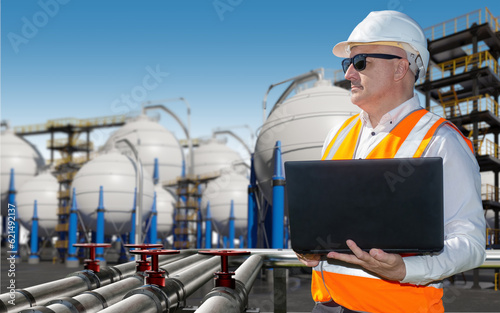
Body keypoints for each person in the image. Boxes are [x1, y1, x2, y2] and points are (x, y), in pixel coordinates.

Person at [296, 10, 486, 313]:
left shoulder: (439, 140)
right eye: (348, 63)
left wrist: (406, 271)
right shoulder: (337, 135)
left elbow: (471, 244)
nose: (348, 75)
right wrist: (311, 247)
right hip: (328, 305)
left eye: (360, 63)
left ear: (400, 68)